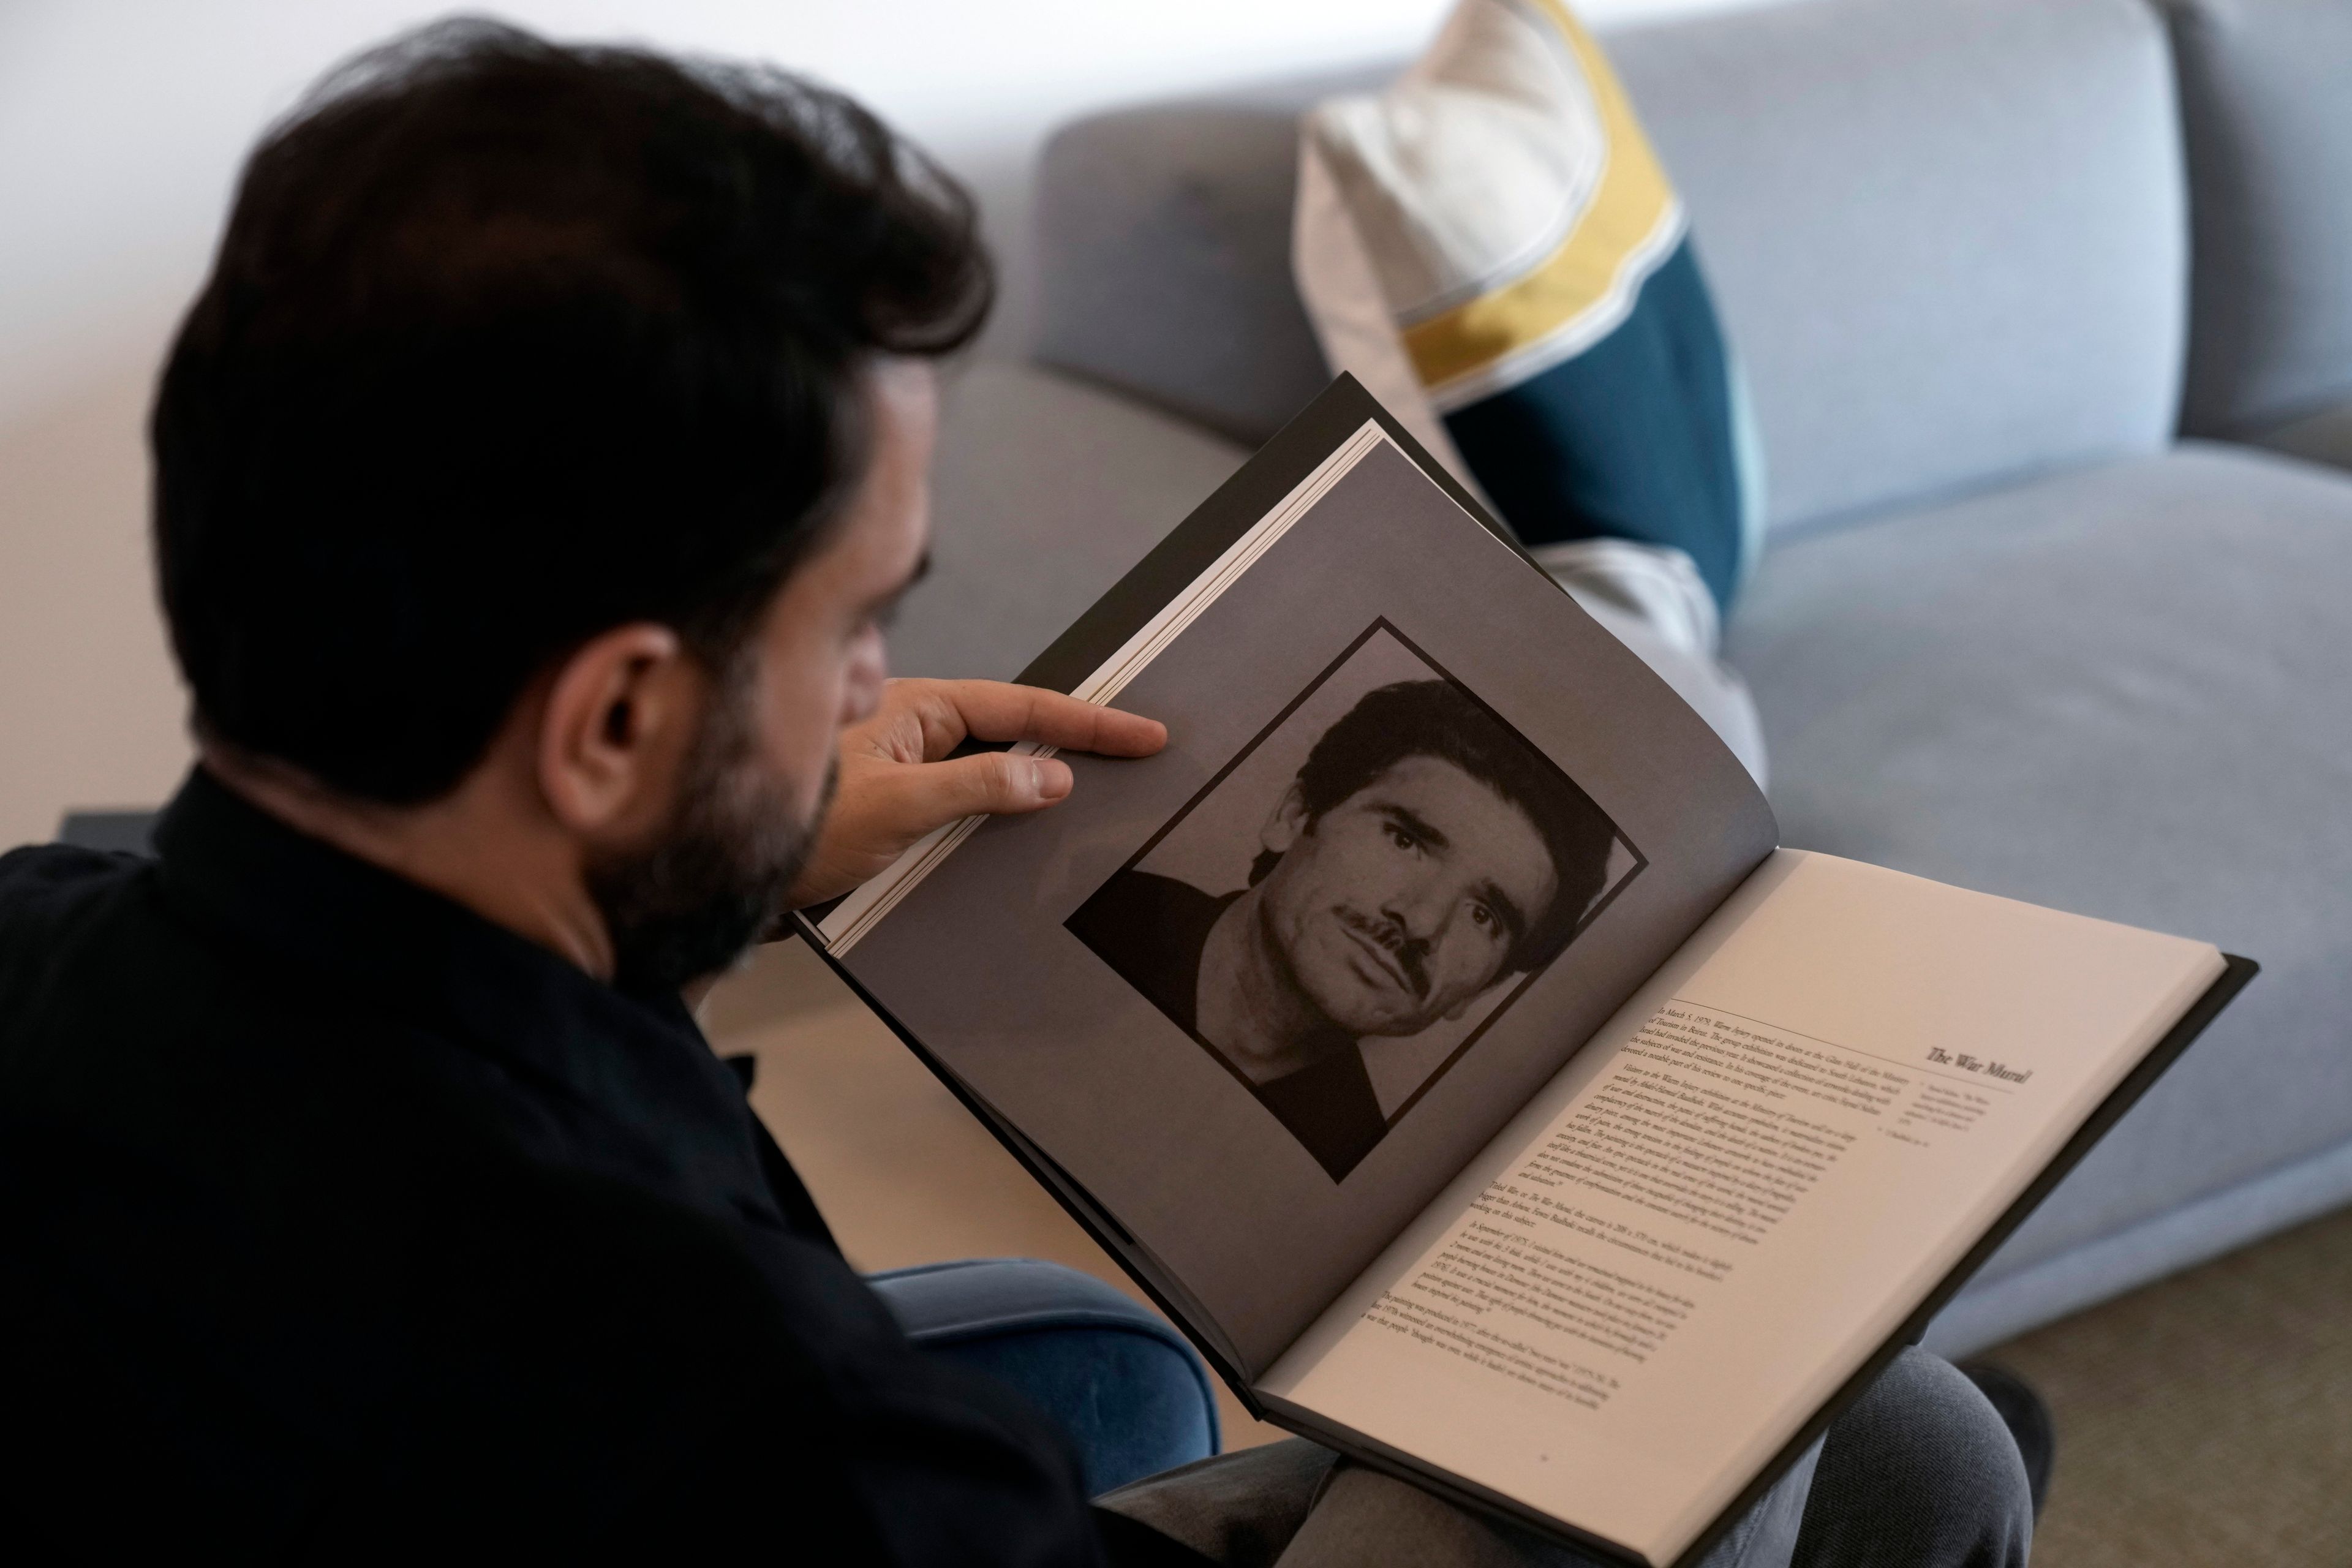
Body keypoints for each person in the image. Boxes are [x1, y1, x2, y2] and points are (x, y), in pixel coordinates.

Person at [0, 21, 2040, 1566]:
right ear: (610, 722)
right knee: (1834, 1422)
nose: (882, 691)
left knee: (1914, 1442)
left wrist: (721, 853)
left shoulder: (48, 954)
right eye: (854, 629)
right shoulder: (766, 1410)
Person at [1069, 680, 1616, 1179]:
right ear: (1295, 815)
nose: (1423, 922)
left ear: (1482, 991)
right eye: (1405, 841)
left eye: (1484, 915)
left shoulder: (1359, 1169)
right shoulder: (1074, 917)